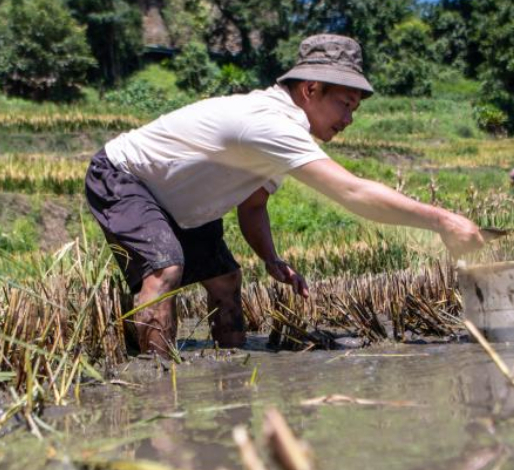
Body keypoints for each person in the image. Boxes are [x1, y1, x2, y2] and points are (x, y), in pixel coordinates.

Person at [85, 34, 486, 356]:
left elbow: (254, 203)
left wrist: (270, 259)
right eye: (344, 105)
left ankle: (231, 367)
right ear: (311, 89)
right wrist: (442, 220)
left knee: (225, 279)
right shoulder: (270, 124)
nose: (348, 120)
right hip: (125, 176)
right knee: (164, 269)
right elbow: (352, 191)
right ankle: (157, 386)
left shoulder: (283, 135)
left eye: (354, 110)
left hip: (180, 202)